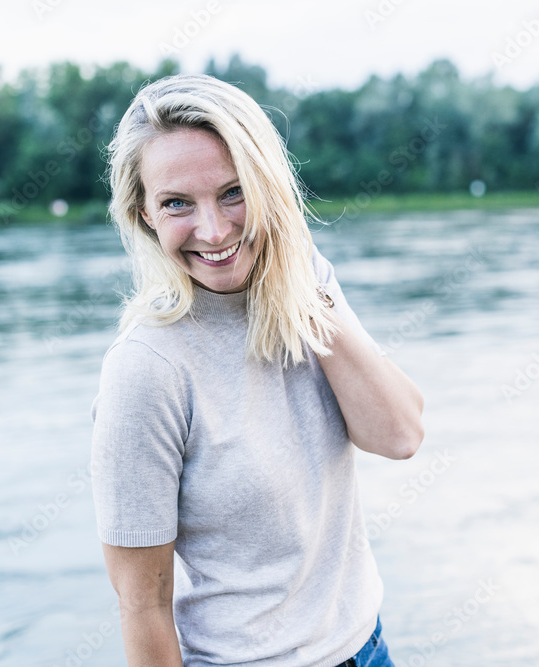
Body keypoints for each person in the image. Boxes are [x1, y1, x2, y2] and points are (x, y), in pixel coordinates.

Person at [90, 73, 424, 667]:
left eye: (234, 192)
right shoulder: (146, 369)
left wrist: (301, 288)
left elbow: (398, 434)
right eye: (177, 204)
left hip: (367, 648)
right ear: (145, 214)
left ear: (270, 186)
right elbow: (143, 602)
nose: (214, 231)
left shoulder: (309, 283)